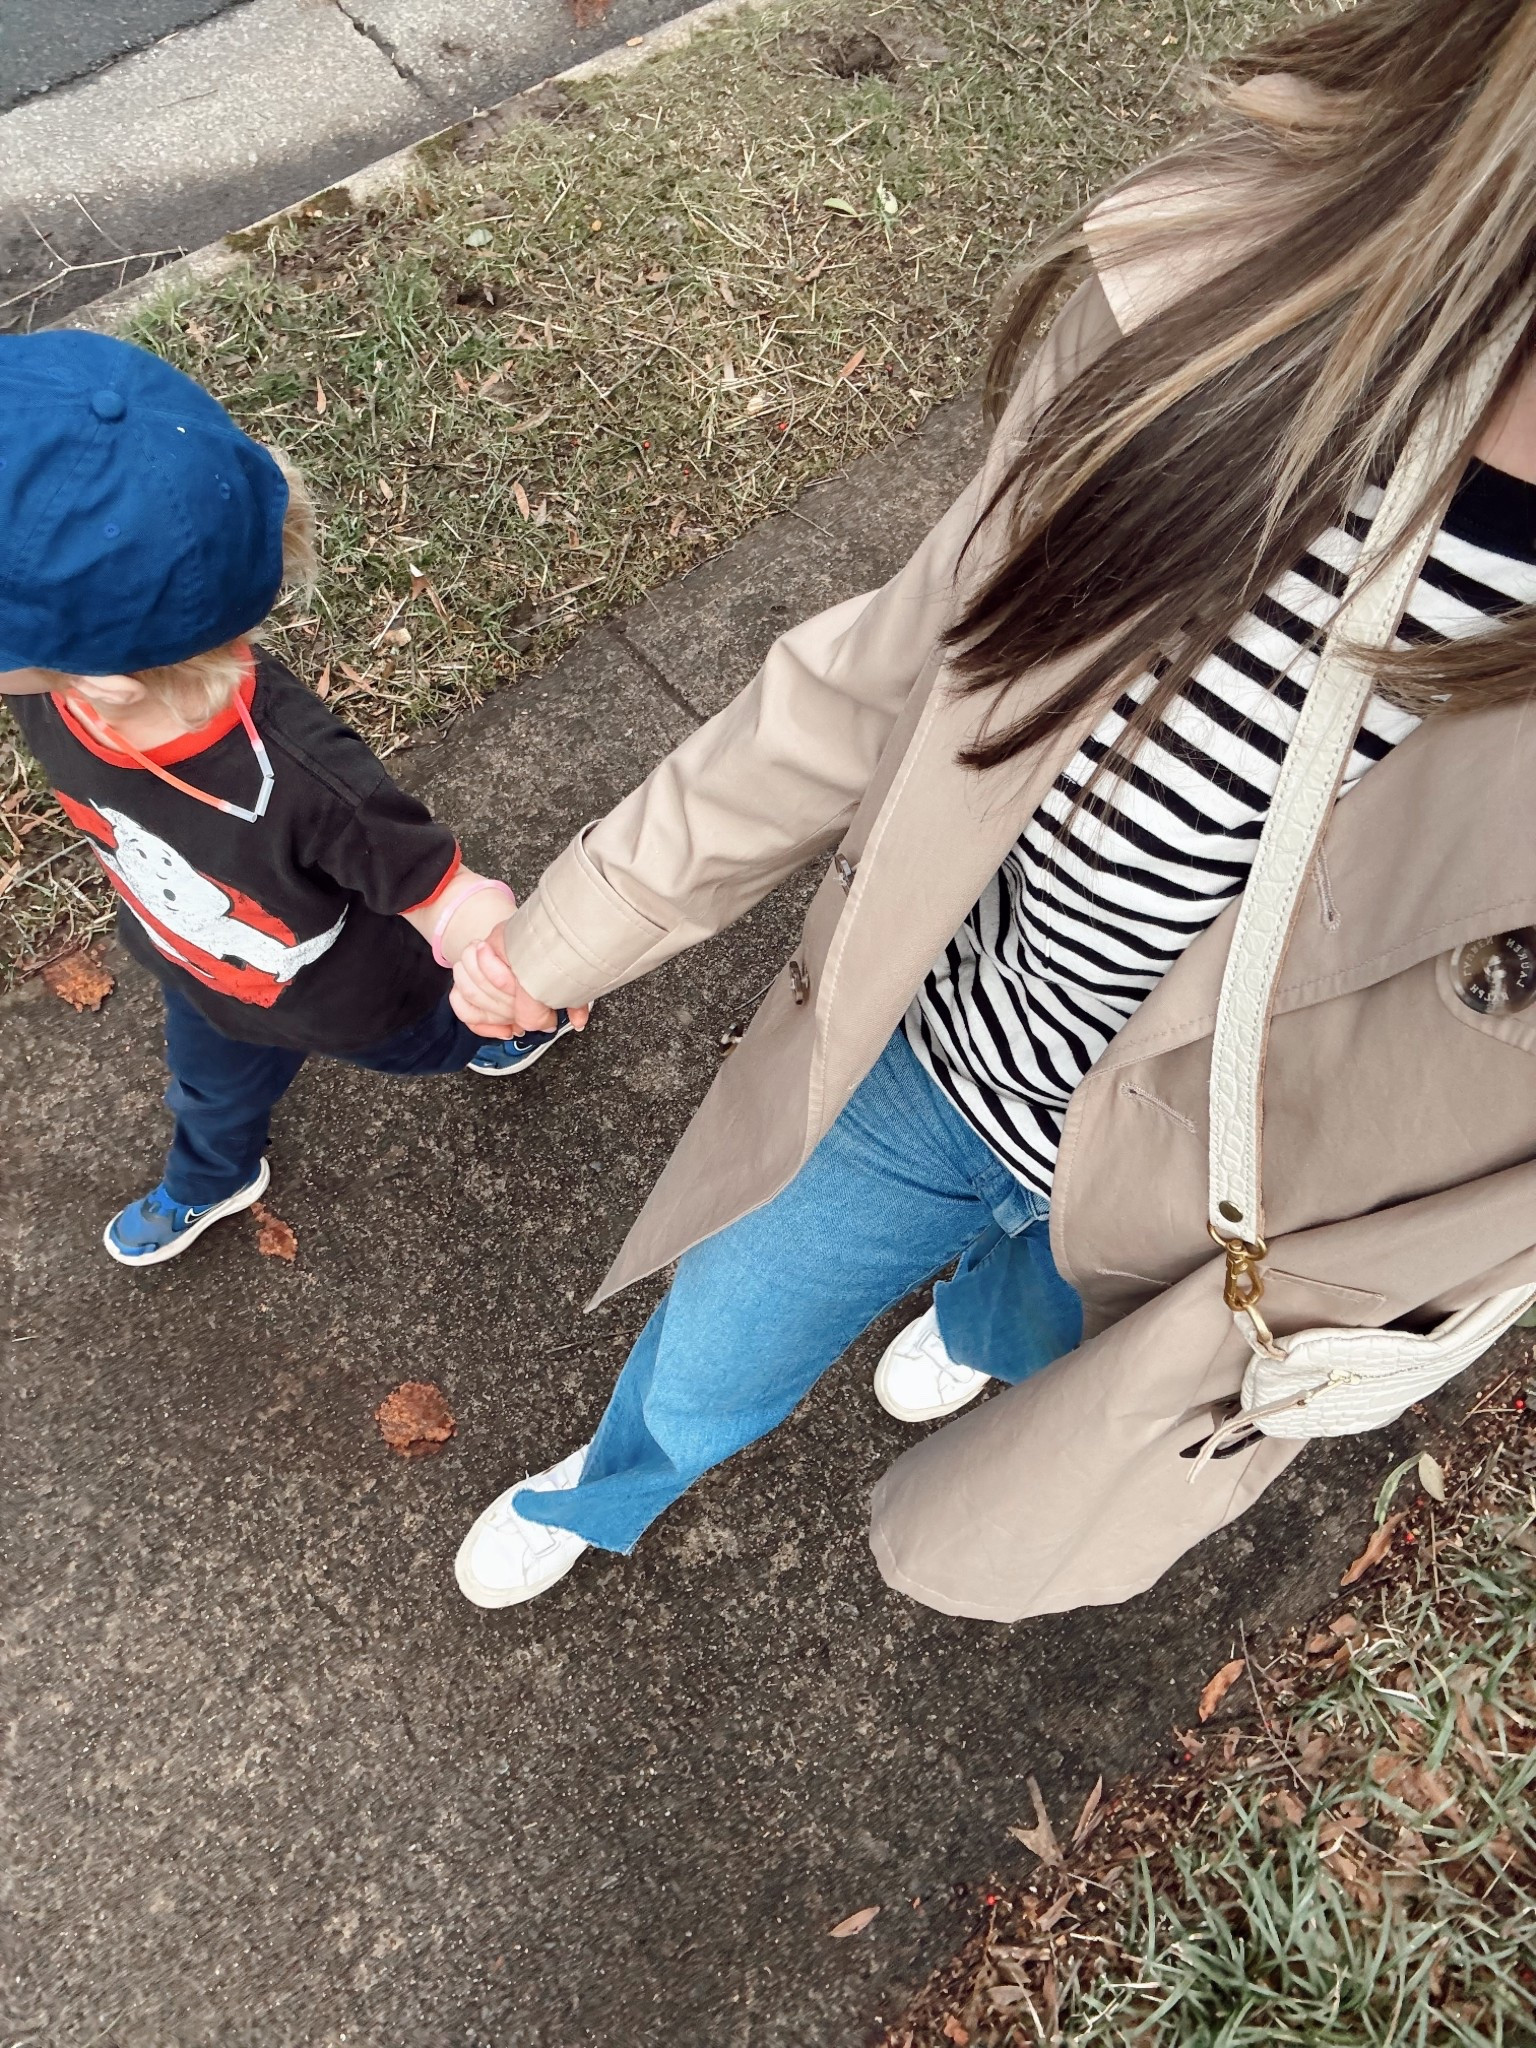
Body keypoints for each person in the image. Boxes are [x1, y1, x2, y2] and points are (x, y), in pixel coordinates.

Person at [451, 0, 1536, 1616]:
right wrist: (582, 922)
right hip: (943, 1049)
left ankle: (966, 1327)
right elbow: (913, 656)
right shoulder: (1279, 258)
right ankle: (614, 1485)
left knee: (1025, 1331)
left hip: (1203, 1210)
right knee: (722, 1333)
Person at [0, 331, 580, 1268]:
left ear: (97, 680)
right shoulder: (60, 685)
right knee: (208, 1092)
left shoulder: (306, 781)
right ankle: (213, 1176)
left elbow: (435, 882)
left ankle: (483, 1041)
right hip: (202, 975)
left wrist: (495, 952)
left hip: (361, 999)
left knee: (440, 1035)